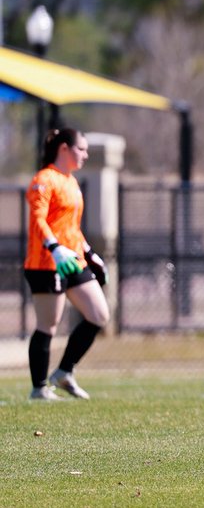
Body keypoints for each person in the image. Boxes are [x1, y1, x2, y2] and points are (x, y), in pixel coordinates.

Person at [25, 128, 110, 401]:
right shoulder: (44, 179)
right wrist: (54, 248)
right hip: (46, 262)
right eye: (81, 149)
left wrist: (89, 251)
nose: (85, 154)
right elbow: (38, 220)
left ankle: (63, 372)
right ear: (64, 148)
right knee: (48, 325)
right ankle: (39, 388)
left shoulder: (71, 181)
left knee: (99, 315)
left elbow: (69, 226)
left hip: (73, 260)